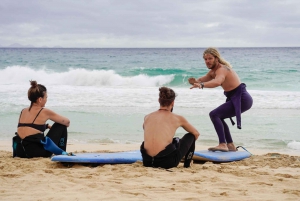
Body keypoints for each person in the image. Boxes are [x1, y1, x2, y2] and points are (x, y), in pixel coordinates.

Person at [189, 47, 253, 152]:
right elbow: (201, 80)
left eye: (210, 58)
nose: (207, 61)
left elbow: (217, 82)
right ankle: (230, 145)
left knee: (214, 114)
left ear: (216, 59)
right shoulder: (212, 72)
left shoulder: (222, 70)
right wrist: (194, 82)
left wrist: (201, 85)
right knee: (218, 116)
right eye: (205, 59)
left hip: (242, 99)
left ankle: (223, 144)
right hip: (236, 98)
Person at [140, 87, 200, 169]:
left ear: (159, 101)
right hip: (167, 162)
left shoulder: (147, 117)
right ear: (173, 103)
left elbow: (147, 130)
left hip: (147, 161)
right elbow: (196, 133)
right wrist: (184, 148)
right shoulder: (178, 118)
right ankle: (187, 164)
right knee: (191, 135)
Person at [13, 80, 70, 158]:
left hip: (20, 152)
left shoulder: (23, 111)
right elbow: (67, 122)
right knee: (61, 125)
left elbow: (30, 127)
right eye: (46, 97)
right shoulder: (44, 111)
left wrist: (46, 126)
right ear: (40, 99)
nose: (46, 100)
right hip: (36, 153)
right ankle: (62, 153)